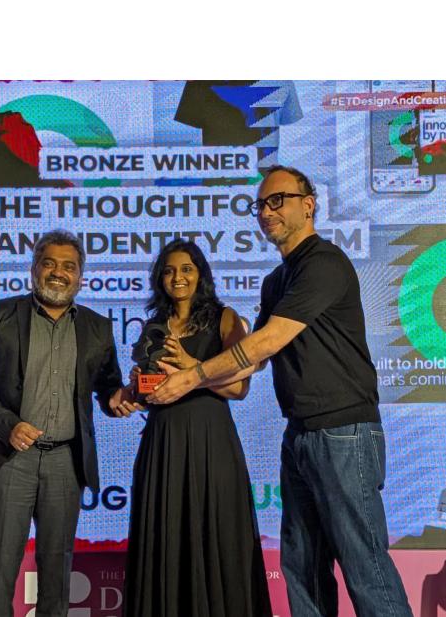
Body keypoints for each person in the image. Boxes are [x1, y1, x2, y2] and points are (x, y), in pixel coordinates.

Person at [150, 166, 413, 617]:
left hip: (344, 431)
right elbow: (253, 362)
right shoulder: (276, 280)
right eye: (260, 205)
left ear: (308, 205)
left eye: (278, 200)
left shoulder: (324, 263)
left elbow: (268, 341)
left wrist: (193, 377)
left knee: (363, 563)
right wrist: (193, 369)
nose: (266, 211)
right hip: (300, 435)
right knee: (302, 566)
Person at [0, 229, 127, 617]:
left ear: (80, 276)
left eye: (69, 266)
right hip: (9, 458)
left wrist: (119, 399)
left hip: (66, 461)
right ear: (34, 269)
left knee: (57, 568)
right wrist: (9, 424)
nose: (58, 273)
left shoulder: (98, 328)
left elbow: (108, 386)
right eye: (49, 263)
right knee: (0, 566)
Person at [116, 239, 271, 616]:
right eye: (169, 271)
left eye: (186, 269)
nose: (178, 277)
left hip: (209, 441)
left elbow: (239, 388)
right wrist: (137, 388)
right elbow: (153, 390)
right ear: (160, 279)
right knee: (165, 536)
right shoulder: (154, 326)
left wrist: (192, 367)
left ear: (201, 274)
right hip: (163, 441)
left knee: (214, 533)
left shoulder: (225, 318)